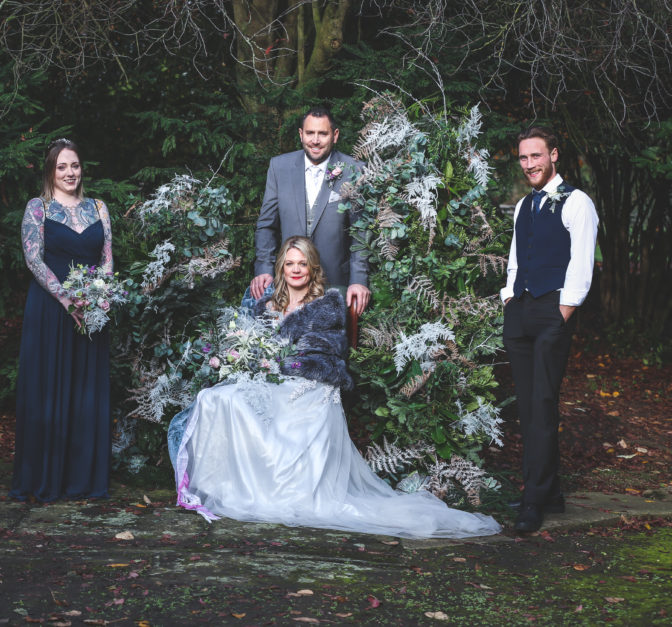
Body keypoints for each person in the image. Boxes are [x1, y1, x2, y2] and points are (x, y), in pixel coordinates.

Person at [170, 237, 501, 539]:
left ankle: (266, 487)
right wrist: (247, 362)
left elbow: (327, 358)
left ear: (313, 268)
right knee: (215, 398)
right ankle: (226, 486)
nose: (296, 269)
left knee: (243, 401)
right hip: (270, 381)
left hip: (310, 386)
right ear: (281, 268)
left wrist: (280, 365)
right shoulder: (265, 306)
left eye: (302, 264)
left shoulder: (326, 307)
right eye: (289, 263)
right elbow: (254, 350)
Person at [501, 126, 599, 533]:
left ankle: (533, 500)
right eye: (523, 158)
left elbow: (582, 260)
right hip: (520, 310)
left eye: (536, 156)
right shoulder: (525, 204)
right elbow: (516, 254)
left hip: (552, 311)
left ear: (553, 155)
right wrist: (508, 294)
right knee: (528, 406)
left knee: (542, 404)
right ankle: (551, 492)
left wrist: (564, 309)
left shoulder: (577, 202)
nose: (529, 165)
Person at [11, 138, 113, 501]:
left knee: (86, 393)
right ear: (51, 172)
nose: (70, 173)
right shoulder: (38, 208)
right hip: (51, 311)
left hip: (91, 313)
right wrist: (69, 301)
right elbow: (34, 260)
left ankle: (82, 480)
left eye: (75, 165)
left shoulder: (98, 207)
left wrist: (98, 298)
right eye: (62, 167)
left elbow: (107, 259)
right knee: (49, 391)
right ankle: (46, 479)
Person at [249, 106, 371, 316]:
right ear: (301, 134)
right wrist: (263, 269)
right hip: (288, 286)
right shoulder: (280, 167)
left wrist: (358, 280)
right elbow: (266, 225)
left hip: (334, 285)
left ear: (335, 135)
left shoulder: (354, 170)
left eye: (322, 134)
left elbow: (361, 232)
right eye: (310, 133)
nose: (315, 140)